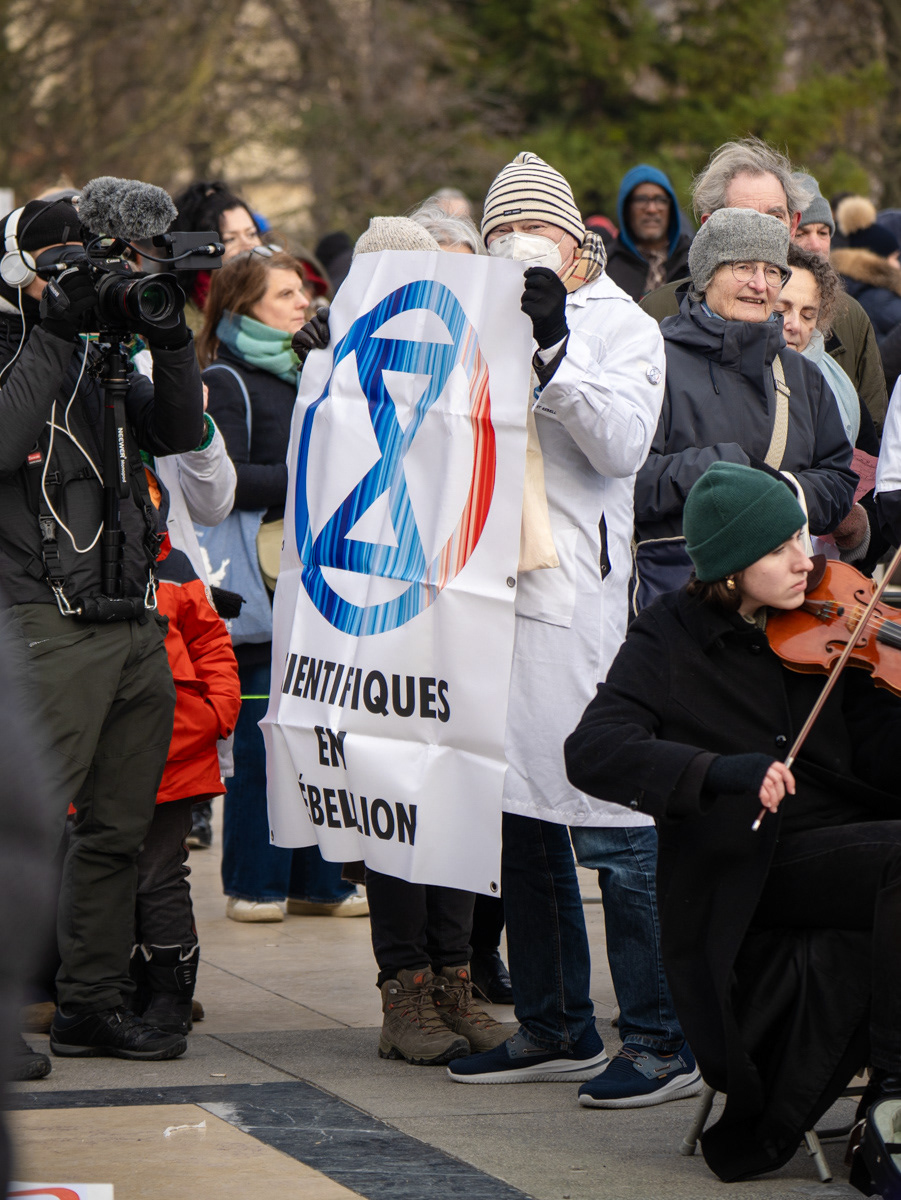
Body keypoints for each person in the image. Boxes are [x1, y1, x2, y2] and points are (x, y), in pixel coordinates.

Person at [441, 153, 700, 1108]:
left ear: (573, 241)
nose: (514, 249)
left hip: (573, 602)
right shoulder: (472, 318)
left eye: (531, 232)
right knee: (516, 816)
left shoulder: (619, 324)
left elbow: (623, 447)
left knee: (608, 818)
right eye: (498, 233)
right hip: (484, 594)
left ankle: (663, 1035)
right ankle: (553, 1023)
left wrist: (553, 348)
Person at [565, 460, 901, 1182]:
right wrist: (718, 772)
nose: (803, 560)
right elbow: (593, 751)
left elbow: (877, 763)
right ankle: (895, 1091)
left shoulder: (830, 630)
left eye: (802, 541)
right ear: (725, 565)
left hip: (849, 844)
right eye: (778, 548)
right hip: (750, 868)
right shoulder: (668, 638)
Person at [293, 214, 511, 1066]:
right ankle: (405, 990)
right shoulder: (342, 369)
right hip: (373, 618)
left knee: (454, 786)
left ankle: (455, 976)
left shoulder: (469, 365)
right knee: (392, 795)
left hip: (457, 611)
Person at [0, 198, 204, 1060]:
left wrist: (172, 340)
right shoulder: (22, 346)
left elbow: (182, 431)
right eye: (59, 259)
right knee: (25, 831)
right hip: (43, 619)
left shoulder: (97, 359)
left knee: (116, 832)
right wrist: (49, 327)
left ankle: (89, 1000)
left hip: (130, 619)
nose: (79, 274)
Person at [198, 247, 368, 924]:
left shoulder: (314, 369)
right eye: (283, 295)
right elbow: (229, 482)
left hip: (319, 576)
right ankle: (255, 883)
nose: (303, 303)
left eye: (302, 292)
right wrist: (311, 475)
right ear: (244, 309)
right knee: (260, 737)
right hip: (265, 583)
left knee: (322, 730)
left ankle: (319, 882)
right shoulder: (226, 377)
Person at [633, 207, 856, 610]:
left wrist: (783, 490)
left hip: (784, 615)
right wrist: (722, 468)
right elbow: (628, 483)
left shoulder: (803, 376)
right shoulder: (651, 361)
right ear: (705, 274)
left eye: (773, 271)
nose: (759, 284)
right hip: (678, 606)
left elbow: (839, 482)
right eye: (742, 267)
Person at [639, 139, 889, 435]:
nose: (762, 233)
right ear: (709, 227)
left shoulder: (848, 318)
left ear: (793, 224)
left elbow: (871, 444)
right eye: (744, 220)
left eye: (774, 218)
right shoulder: (656, 314)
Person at [130, 469, 241, 1036]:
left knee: (158, 874)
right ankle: (123, 991)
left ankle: (170, 997)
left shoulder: (173, 567)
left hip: (175, 751)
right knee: (106, 875)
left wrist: (216, 713)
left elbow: (211, 641)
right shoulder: (72, 565)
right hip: (101, 754)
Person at [774, 243, 885, 571]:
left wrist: (855, 529)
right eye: (781, 310)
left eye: (809, 314)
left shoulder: (844, 393)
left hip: (826, 590)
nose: (794, 325)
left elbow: (878, 515)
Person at [604, 165, 692, 301]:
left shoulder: (691, 260)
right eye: (641, 199)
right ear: (626, 209)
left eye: (660, 200)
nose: (652, 209)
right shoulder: (606, 266)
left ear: (672, 208)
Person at [831, 197, 901, 344]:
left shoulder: (854, 287)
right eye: (894, 258)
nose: (897, 265)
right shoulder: (882, 299)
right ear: (878, 259)